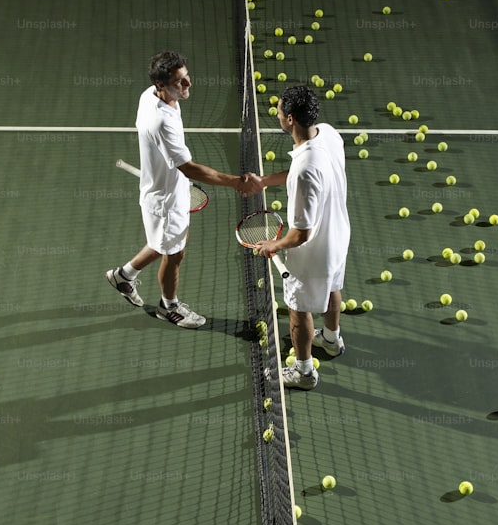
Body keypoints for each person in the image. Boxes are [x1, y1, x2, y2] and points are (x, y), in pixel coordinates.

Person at [106, 50, 262, 328]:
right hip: (164, 200)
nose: (188, 84)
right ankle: (169, 307)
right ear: (161, 86)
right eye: (180, 81)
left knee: (170, 243)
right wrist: (236, 182)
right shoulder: (161, 121)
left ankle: (123, 276)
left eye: (186, 77)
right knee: (174, 253)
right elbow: (189, 168)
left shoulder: (150, 95)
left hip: (170, 188)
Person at [251, 85, 350, 390]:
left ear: (290, 119)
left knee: (298, 309)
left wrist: (273, 245)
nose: (277, 114)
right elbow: (305, 167)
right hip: (338, 235)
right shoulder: (328, 134)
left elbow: (301, 233)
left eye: (279, 111)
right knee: (333, 286)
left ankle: (304, 372)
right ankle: (331, 340)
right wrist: (266, 181)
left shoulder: (305, 171)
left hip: (312, 253)